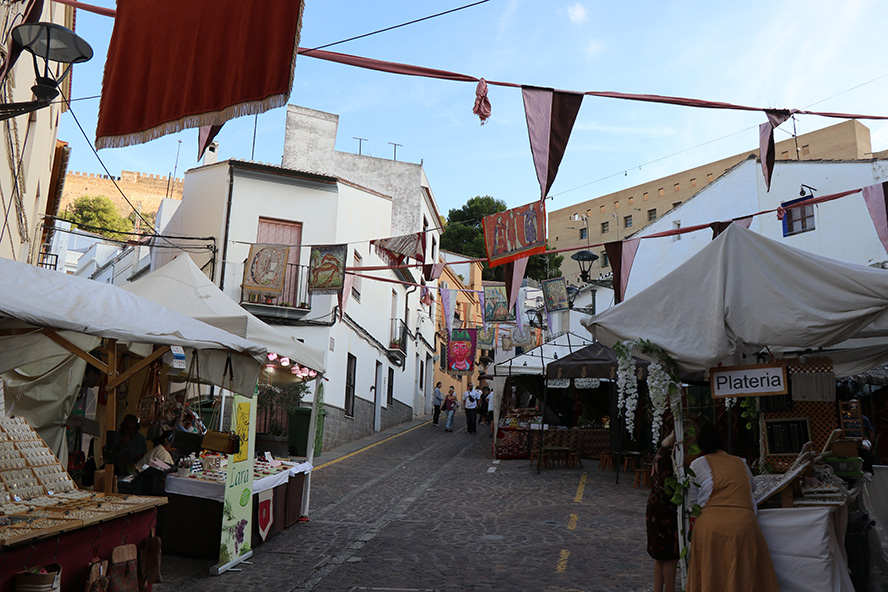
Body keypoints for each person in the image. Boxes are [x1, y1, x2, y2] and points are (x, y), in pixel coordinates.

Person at [687, 423, 778, 592]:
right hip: (744, 525)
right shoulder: (740, 463)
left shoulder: (697, 464)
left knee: (711, 572)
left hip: (711, 526)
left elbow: (692, 503)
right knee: (743, 572)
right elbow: (752, 486)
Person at [646, 431, 678, 592]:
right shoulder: (670, 455)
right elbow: (669, 486)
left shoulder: (663, 450)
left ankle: (658, 589)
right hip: (666, 507)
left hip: (657, 505)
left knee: (660, 555)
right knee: (670, 555)